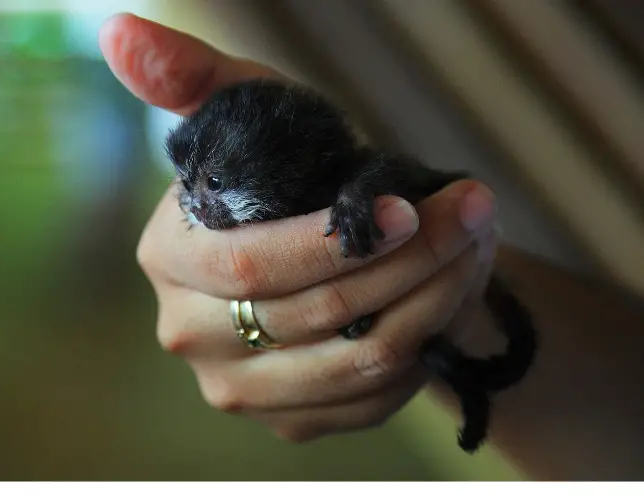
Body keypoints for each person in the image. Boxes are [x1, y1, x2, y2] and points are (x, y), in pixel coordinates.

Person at [98, 13, 644, 480]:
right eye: (186, 184)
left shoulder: (352, 173)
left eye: (213, 186)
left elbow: (395, 178)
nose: (194, 206)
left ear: (290, 163)